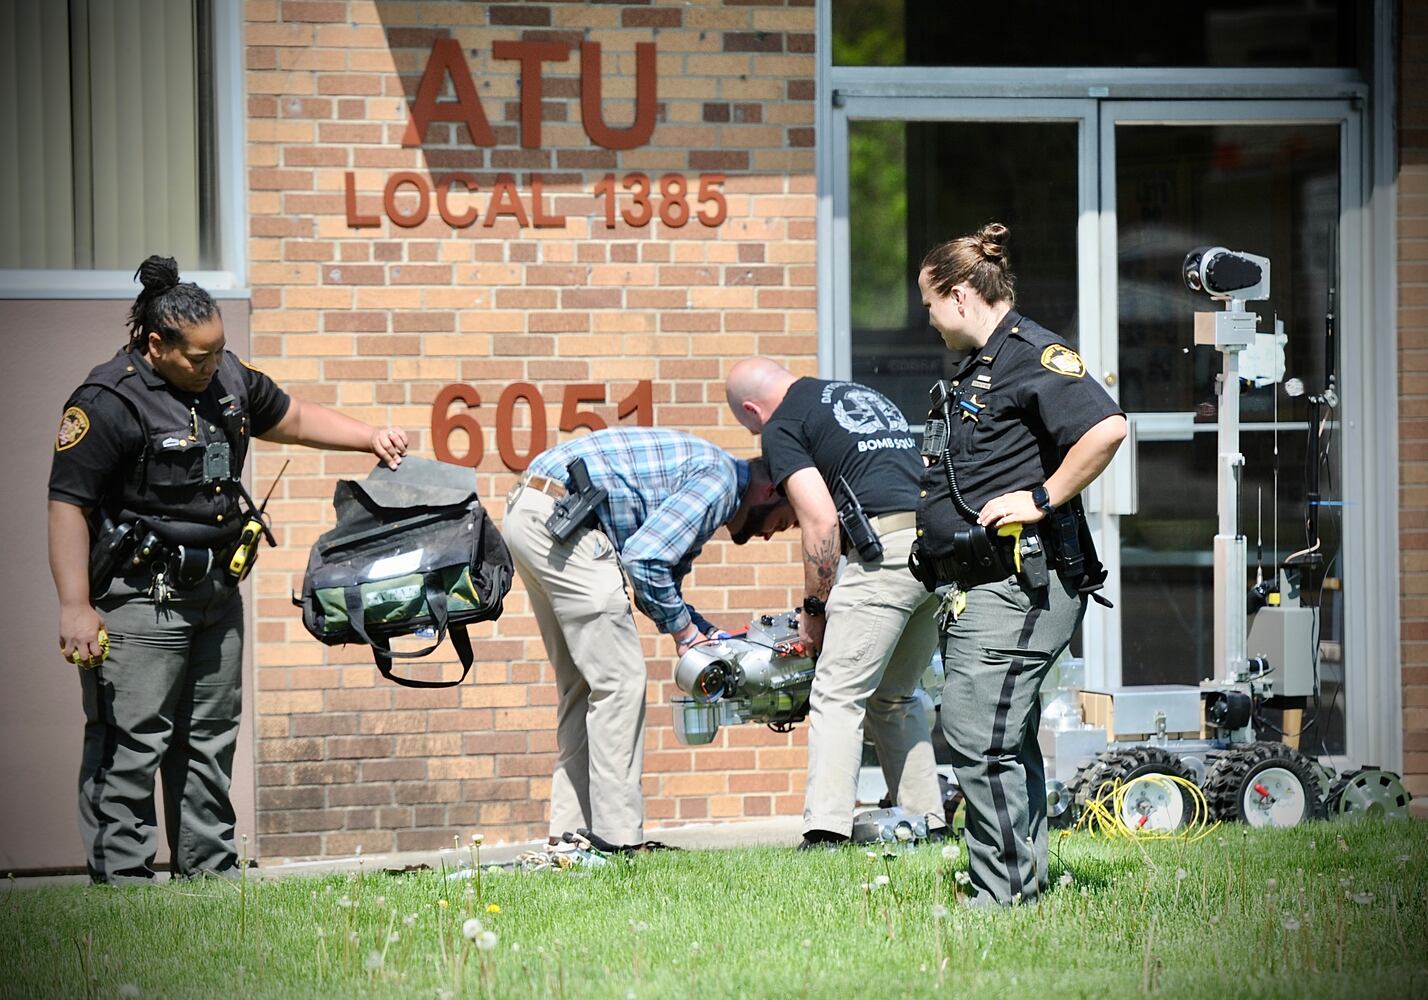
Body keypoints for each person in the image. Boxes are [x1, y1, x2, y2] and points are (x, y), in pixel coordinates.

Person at [49, 255, 408, 884]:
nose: (212, 367)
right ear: (156, 343)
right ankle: (124, 888)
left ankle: (210, 878)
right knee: (131, 742)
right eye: (198, 357)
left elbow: (291, 418)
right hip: (141, 597)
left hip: (216, 592)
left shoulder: (228, 378)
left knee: (209, 739)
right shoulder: (106, 402)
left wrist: (368, 435)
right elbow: (68, 505)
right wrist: (75, 605)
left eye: (219, 353)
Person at [910, 223, 1126, 904]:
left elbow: (1107, 426)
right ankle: (1018, 887)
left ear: (959, 294)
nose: (929, 319)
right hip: (983, 587)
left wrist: (1042, 496)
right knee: (999, 737)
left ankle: (1001, 897)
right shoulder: (983, 365)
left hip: (1023, 583)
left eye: (930, 304)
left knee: (979, 738)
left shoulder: (1034, 353)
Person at [502, 426, 795, 853]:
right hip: (565, 519)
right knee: (619, 684)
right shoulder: (720, 481)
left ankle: (568, 837)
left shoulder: (709, 476)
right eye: (783, 522)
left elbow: (655, 581)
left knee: (584, 686)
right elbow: (645, 561)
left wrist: (700, 630)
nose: (771, 534)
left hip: (533, 513)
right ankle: (617, 842)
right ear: (770, 489)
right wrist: (684, 635)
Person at [725, 359, 949, 849]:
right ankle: (928, 820)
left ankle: (826, 831)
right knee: (893, 696)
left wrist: (814, 610)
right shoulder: (852, 394)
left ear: (751, 410)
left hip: (884, 555)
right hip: (936, 549)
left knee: (836, 693)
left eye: (749, 426)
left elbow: (821, 521)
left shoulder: (783, 423)